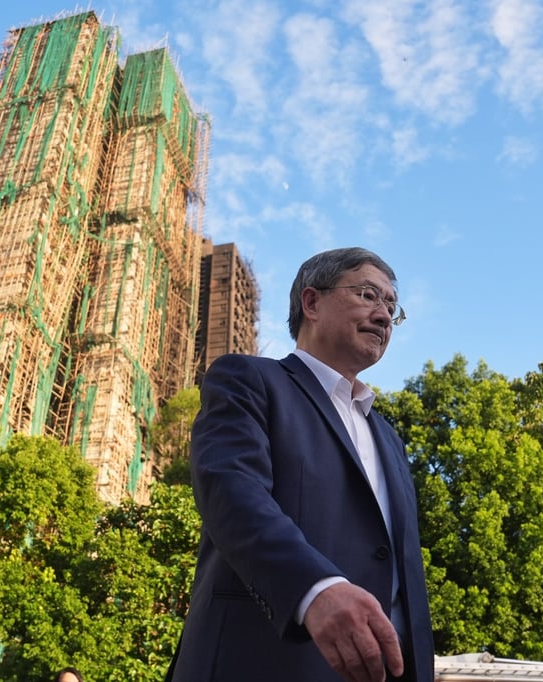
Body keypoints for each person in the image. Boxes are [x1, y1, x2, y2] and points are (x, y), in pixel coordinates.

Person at [167, 247, 434, 682]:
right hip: (265, 663)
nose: (384, 315)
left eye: (391, 306)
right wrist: (316, 589)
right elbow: (231, 491)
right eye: (368, 295)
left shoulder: (389, 436)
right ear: (311, 302)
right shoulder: (248, 380)